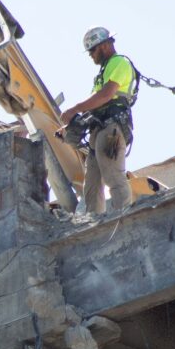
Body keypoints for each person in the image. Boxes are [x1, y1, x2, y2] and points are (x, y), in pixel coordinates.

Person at [60, 27, 137, 214]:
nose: (90, 56)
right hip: (99, 131)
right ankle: (93, 222)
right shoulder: (102, 73)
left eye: (92, 51)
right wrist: (71, 125)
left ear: (103, 46)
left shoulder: (119, 62)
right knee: (92, 185)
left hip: (111, 128)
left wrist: (74, 109)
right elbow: (95, 105)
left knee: (113, 175)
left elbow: (106, 95)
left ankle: (124, 217)